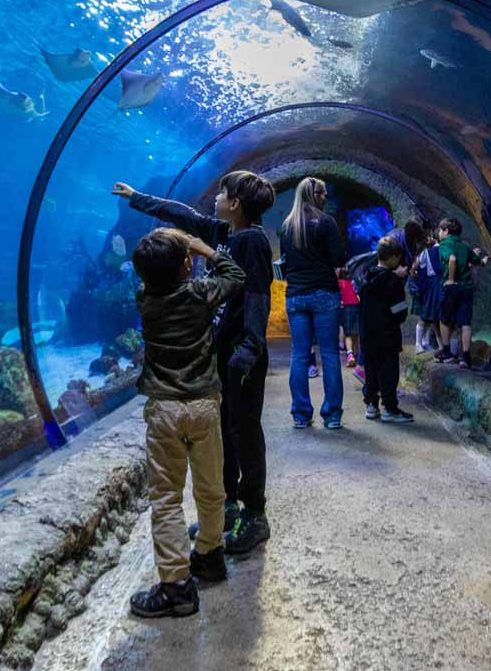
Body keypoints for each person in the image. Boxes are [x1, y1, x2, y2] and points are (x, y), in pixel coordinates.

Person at [113, 171, 276, 555]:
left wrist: (250, 345)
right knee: (224, 430)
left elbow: (257, 293)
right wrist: (139, 197)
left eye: (222, 193)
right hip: (226, 349)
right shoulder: (228, 233)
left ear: (235, 203)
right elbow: (186, 218)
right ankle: (226, 506)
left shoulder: (251, 241)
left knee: (245, 430)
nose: (216, 198)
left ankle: (256, 514)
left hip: (243, 352)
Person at [127, 229, 245, 618]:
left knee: (166, 498)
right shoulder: (199, 294)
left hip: (165, 411)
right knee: (211, 489)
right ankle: (210, 555)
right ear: (186, 266)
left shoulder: (144, 300)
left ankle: (176, 585)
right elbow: (235, 276)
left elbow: (158, 279)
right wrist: (202, 248)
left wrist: (178, 255)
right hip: (204, 406)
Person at [279, 177, 346, 430]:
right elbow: (338, 258)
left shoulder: (287, 226)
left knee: (299, 354)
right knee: (329, 353)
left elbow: (285, 262)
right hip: (324, 293)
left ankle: (300, 414)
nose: (325, 197)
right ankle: (332, 414)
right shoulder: (326, 222)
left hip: (296, 295)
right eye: (322, 193)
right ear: (313, 194)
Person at [358, 235, 414, 423]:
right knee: (388, 373)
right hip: (387, 337)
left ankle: (371, 405)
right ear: (392, 258)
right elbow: (399, 312)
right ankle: (390, 408)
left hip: (367, 336)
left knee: (371, 371)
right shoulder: (392, 281)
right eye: (398, 257)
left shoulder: (366, 278)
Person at [433, 217, 491, 369]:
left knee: (443, 319)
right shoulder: (465, 246)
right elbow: (480, 263)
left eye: (440, 230)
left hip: (452, 287)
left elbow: (452, 259)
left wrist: (450, 279)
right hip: (466, 288)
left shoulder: (444, 244)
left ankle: (446, 352)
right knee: (465, 323)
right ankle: (465, 357)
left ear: (446, 231)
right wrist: (488, 257)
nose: (439, 233)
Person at [414, 229, 444, 353]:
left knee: (427, 316)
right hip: (441, 287)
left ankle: (420, 343)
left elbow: (416, 266)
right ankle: (424, 344)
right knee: (435, 317)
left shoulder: (426, 252)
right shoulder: (444, 251)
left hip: (431, 288)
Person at [338, 271, 361, 369]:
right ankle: (356, 355)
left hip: (346, 307)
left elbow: (339, 297)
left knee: (348, 334)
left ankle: (350, 355)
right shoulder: (355, 280)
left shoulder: (338, 282)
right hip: (357, 306)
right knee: (356, 333)